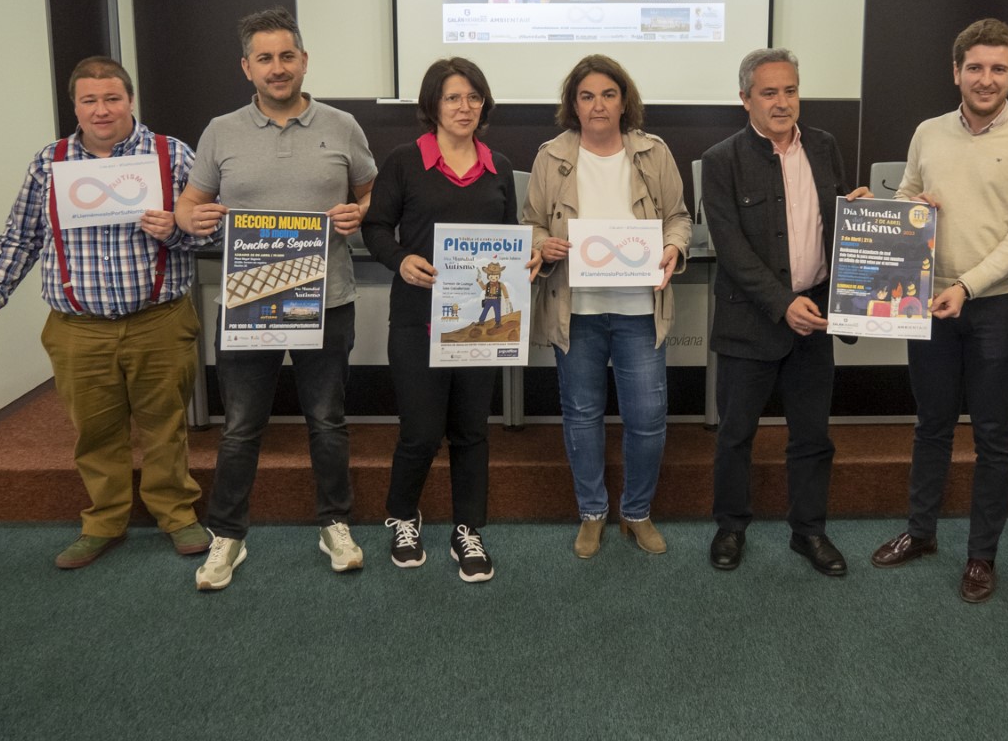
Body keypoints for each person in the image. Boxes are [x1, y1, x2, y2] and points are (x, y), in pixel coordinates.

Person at [0, 56, 214, 569]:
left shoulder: (172, 156)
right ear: (75, 106)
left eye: (112, 98)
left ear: (129, 100)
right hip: (78, 329)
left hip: (159, 322)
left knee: (165, 424)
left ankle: (178, 516)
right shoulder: (49, 162)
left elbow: (213, 234)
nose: (102, 110)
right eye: (89, 100)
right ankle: (103, 521)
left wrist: (173, 229)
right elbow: (23, 235)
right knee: (95, 431)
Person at [175, 7, 377, 591]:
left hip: (327, 300)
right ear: (246, 67)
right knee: (240, 427)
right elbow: (190, 205)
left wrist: (357, 213)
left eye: (287, 55)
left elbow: (372, 198)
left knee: (328, 421)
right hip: (248, 302)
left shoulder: (342, 126)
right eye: (264, 58)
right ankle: (228, 537)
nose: (278, 67)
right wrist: (195, 218)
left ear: (304, 60)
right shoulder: (221, 130)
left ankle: (334, 525)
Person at [870, 19, 1008, 603]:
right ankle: (922, 532)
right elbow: (906, 194)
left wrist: (969, 288)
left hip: (995, 309)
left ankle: (982, 556)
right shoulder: (928, 132)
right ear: (956, 72)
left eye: (998, 68)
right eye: (974, 67)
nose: (986, 79)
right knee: (930, 425)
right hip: (928, 302)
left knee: (995, 436)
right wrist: (901, 207)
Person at [363, 58, 536, 583]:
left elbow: (509, 237)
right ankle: (403, 516)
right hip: (418, 320)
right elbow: (374, 226)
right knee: (420, 431)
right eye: (453, 98)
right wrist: (399, 259)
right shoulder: (404, 161)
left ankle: (468, 529)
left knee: (470, 431)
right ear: (432, 105)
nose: (465, 107)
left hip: (480, 327)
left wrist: (524, 257)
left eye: (474, 97)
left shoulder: (499, 165)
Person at [701, 48, 870, 573]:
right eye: (769, 92)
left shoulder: (823, 147)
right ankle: (731, 528)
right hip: (750, 322)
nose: (782, 102)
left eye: (790, 90)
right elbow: (729, 248)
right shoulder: (721, 159)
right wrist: (781, 304)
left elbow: (828, 228)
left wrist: (860, 218)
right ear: (745, 98)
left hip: (816, 317)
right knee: (735, 434)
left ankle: (809, 532)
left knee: (813, 436)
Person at [523, 54, 691, 558]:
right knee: (581, 415)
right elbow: (531, 223)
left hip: (641, 308)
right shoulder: (550, 156)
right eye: (587, 96)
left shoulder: (653, 153)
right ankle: (592, 513)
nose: (598, 105)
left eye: (608, 94)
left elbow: (679, 218)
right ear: (573, 105)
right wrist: (543, 245)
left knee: (646, 417)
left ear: (624, 101)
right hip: (577, 311)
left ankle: (636, 512)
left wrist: (673, 248)